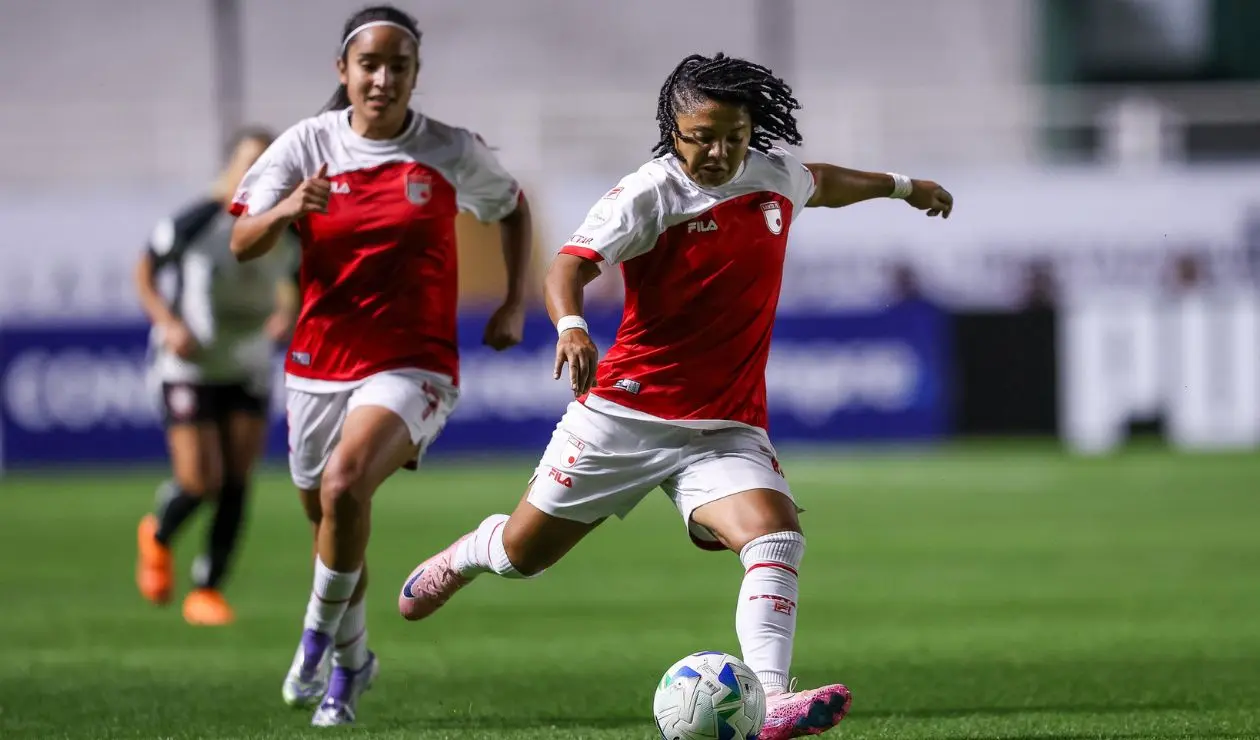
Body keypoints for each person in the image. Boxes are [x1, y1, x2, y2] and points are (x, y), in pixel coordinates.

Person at [397, 52, 953, 739]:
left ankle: (770, 701)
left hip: (724, 425)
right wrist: (572, 328)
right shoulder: (649, 193)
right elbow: (567, 267)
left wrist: (905, 187)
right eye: (701, 138)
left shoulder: (773, 176)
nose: (718, 152)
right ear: (673, 131)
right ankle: (470, 552)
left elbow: (827, 181)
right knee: (522, 556)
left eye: (734, 137)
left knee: (776, 536)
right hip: (624, 416)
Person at [227, 4, 532, 728]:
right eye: (370, 64)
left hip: (413, 362)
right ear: (344, 69)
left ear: (416, 74)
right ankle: (353, 664)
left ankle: (312, 641)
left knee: (344, 484)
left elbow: (512, 207)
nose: (383, 78)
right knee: (333, 520)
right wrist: (287, 210)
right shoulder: (307, 145)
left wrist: (512, 303)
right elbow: (242, 241)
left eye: (399, 66)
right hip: (318, 363)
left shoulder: (447, 149)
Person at [135, 127, 299, 627]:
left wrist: (285, 316)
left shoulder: (288, 230)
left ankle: (207, 589)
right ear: (230, 168)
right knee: (199, 480)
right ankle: (158, 533)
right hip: (190, 364)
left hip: (247, 364)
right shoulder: (199, 220)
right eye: (248, 163)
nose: (256, 174)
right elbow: (145, 269)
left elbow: (296, 283)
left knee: (236, 481)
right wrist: (168, 323)